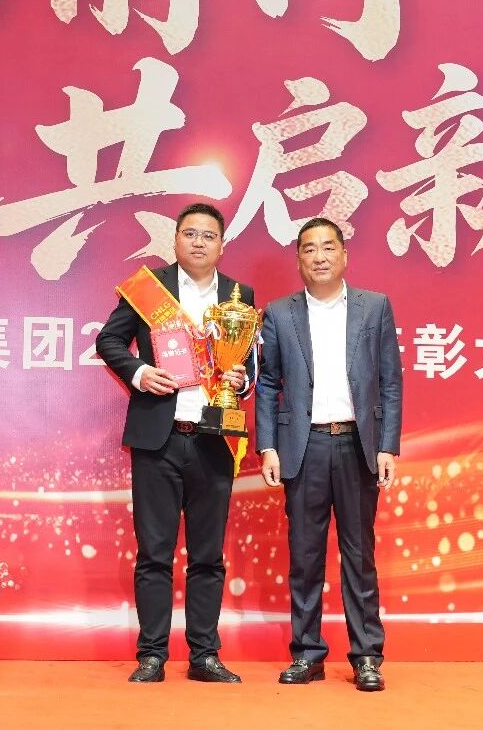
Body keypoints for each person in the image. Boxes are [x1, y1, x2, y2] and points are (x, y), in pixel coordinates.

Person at [96, 203, 252, 684]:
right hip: (158, 440)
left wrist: (242, 381)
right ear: (176, 239)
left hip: (213, 440)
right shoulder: (150, 290)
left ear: (222, 245)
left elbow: (249, 363)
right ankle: (152, 655)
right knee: (155, 553)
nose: (199, 242)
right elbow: (109, 341)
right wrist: (140, 373)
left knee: (208, 556)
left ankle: (205, 655)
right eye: (190, 233)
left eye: (208, 235)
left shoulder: (240, 295)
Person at [255, 216, 402, 692]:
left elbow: (391, 382)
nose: (319, 256)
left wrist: (387, 445)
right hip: (305, 446)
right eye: (309, 249)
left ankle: (367, 656)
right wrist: (268, 445)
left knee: (359, 555)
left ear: (344, 254)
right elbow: (269, 384)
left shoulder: (374, 306)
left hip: (357, 444)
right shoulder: (279, 313)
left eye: (328, 247)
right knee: (305, 556)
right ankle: (307, 653)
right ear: (299, 258)